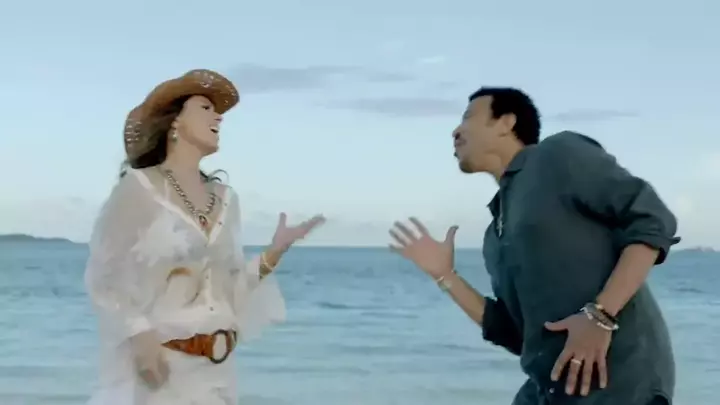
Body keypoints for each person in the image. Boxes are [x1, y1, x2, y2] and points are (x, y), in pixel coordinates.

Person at [388, 87, 679, 405]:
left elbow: (651, 220)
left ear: (506, 122)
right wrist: (446, 276)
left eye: (468, 117)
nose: (455, 131)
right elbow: (519, 336)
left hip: (619, 386)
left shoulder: (557, 155)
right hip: (548, 391)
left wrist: (600, 316)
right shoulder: (495, 233)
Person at [84, 69, 325, 405]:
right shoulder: (138, 188)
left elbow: (228, 289)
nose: (219, 117)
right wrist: (140, 337)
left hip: (218, 373)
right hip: (161, 372)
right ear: (175, 122)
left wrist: (274, 253)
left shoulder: (227, 199)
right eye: (205, 108)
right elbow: (105, 278)